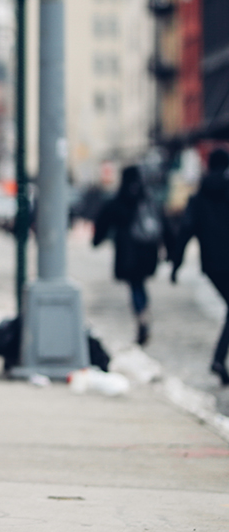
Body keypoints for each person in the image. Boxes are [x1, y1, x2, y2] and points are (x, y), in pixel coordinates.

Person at [169, 148, 229, 386]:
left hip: (213, 265)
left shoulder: (198, 198)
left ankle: (218, 359)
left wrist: (176, 264)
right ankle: (217, 358)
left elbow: (185, 232)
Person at [92, 165, 163, 346]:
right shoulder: (146, 198)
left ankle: (141, 314)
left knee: (135, 286)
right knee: (140, 284)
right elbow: (164, 224)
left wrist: (97, 239)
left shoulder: (121, 198)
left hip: (129, 252)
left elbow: (104, 219)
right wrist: (171, 250)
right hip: (147, 252)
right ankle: (144, 313)